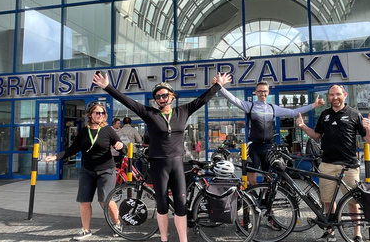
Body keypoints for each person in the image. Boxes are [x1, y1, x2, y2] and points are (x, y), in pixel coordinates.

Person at [93, 72, 232, 242]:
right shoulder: (149, 113)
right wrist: (107, 87)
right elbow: (127, 101)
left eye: (164, 95)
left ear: (171, 96)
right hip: (158, 165)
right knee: (162, 205)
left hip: (177, 164)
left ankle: (183, 240)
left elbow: (202, 99)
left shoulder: (183, 111)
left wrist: (218, 85)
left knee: (181, 206)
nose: (161, 98)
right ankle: (164, 239)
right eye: (158, 96)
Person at [296, 84, 370, 242]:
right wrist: (303, 126)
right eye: (331, 95)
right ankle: (330, 233)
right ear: (328, 97)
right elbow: (316, 136)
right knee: (328, 201)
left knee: (353, 202)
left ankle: (357, 234)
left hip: (349, 166)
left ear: (344, 95)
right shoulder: (325, 114)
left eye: (338, 94)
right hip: (327, 164)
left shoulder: (354, 114)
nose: (335, 97)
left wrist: (369, 127)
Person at [216, 80, 325, 186]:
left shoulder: (273, 108)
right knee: (251, 181)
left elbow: (293, 112)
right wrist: (220, 86)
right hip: (254, 146)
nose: (262, 93)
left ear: (268, 92)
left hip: (268, 147)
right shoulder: (250, 106)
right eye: (260, 91)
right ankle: (252, 202)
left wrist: (314, 105)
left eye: (264, 91)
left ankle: (265, 201)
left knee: (268, 179)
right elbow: (233, 100)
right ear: (256, 92)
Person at [44, 101, 125, 241]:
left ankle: (117, 223)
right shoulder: (83, 131)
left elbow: (121, 148)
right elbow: (72, 149)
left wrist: (120, 146)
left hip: (106, 170)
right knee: (84, 201)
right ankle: (86, 230)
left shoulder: (108, 130)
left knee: (105, 200)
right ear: (90, 114)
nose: (100, 115)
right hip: (87, 171)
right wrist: (56, 157)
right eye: (97, 113)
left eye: (102, 113)